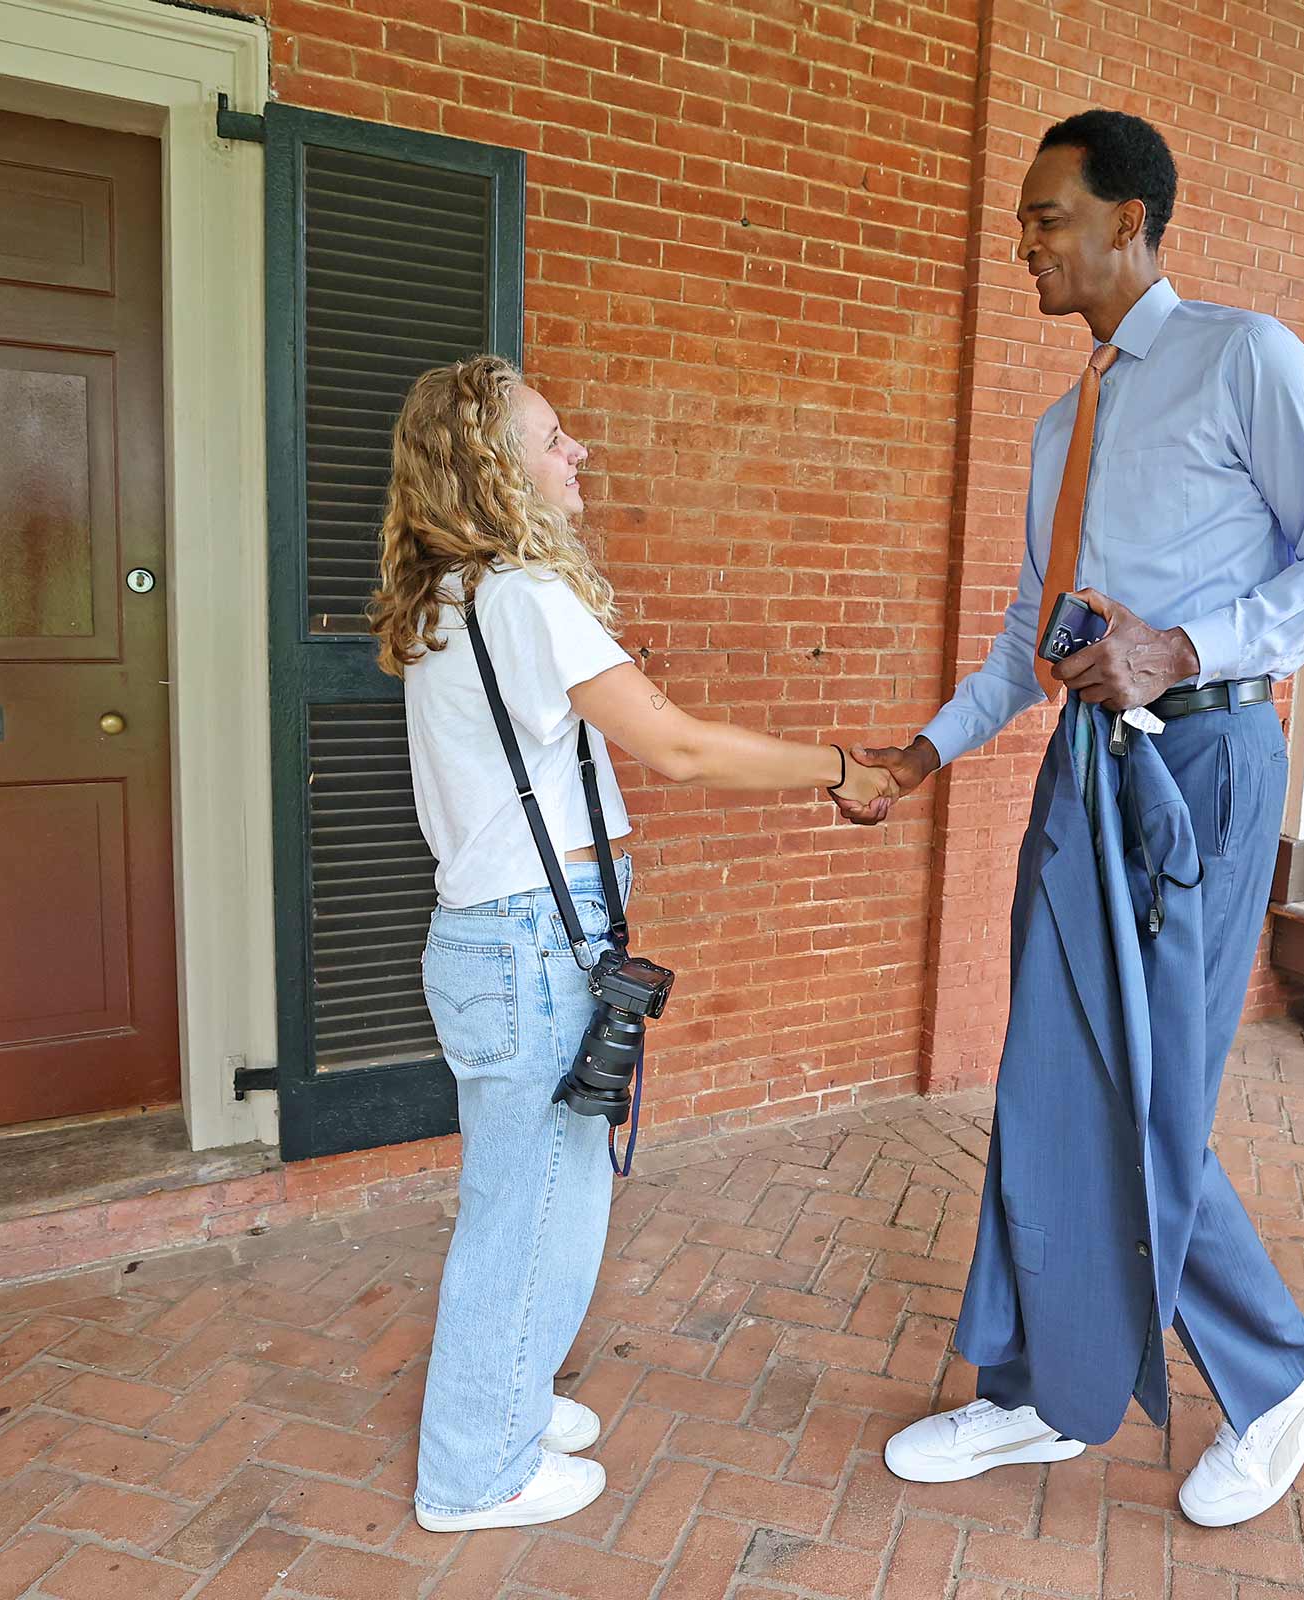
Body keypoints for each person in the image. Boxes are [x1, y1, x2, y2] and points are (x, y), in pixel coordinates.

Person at [842, 110, 1304, 1526]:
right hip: (1080, 771)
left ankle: (1282, 1377)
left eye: (1047, 215)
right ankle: (1035, 1389)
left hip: (1199, 765)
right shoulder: (1057, 422)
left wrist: (1182, 649)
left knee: (1148, 1103)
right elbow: (1032, 632)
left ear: (1130, 221)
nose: (1024, 239)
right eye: (1025, 219)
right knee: (1044, 1085)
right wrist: (919, 756)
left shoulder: (1242, 357)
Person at [370, 356, 896, 1534]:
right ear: (497, 465)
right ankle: (474, 1470)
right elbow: (679, 748)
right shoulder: (519, 594)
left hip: (502, 941)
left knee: (557, 1196)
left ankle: (506, 1392)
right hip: (530, 948)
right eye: (553, 437)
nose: (578, 454)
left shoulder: (450, 599)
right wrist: (839, 768)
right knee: (528, 1208)